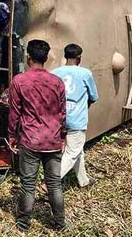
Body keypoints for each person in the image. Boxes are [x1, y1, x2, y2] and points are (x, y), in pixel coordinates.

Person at [8, 39, 67, 233]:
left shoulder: (19, 81)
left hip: (31, 140)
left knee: (28, 185)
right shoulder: (57, 82)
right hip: (53, 139)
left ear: (28, 57)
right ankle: (60, 224)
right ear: (46, 58)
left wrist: (12, 136)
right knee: (54, 183)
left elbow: (14, 113)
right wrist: (63, 136)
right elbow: (62, 112)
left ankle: (23, 225)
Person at [52, 44, 98, 188]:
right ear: (79, 58)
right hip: (77, 119)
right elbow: (94, 96)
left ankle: (83, 180)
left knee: (78, 150)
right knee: (72, 152)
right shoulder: (85, 74)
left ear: (65, 56)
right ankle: (51, 182)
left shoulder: (54, 73)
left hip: (58, 118)